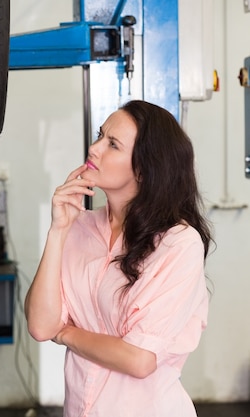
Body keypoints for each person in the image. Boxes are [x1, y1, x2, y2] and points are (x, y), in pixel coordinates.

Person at [25, 100, 213, 417]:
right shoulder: (79, 227)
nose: (94, 149)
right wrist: (58, 230)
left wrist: (67, 333)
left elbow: (138, 359)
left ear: (143, 168)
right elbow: (42, 326)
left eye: (112, 144)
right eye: (100, 136)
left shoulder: (177, 243)